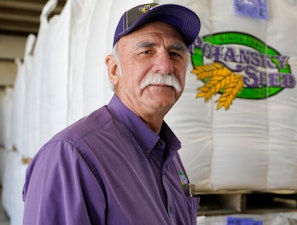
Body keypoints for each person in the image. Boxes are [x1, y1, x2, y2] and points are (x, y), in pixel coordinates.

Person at [22, 3, 201, 225]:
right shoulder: (71, 156)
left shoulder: (168, 155)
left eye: (175, 53)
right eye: (146, 51)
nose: (165, 66)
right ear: (114, 69)